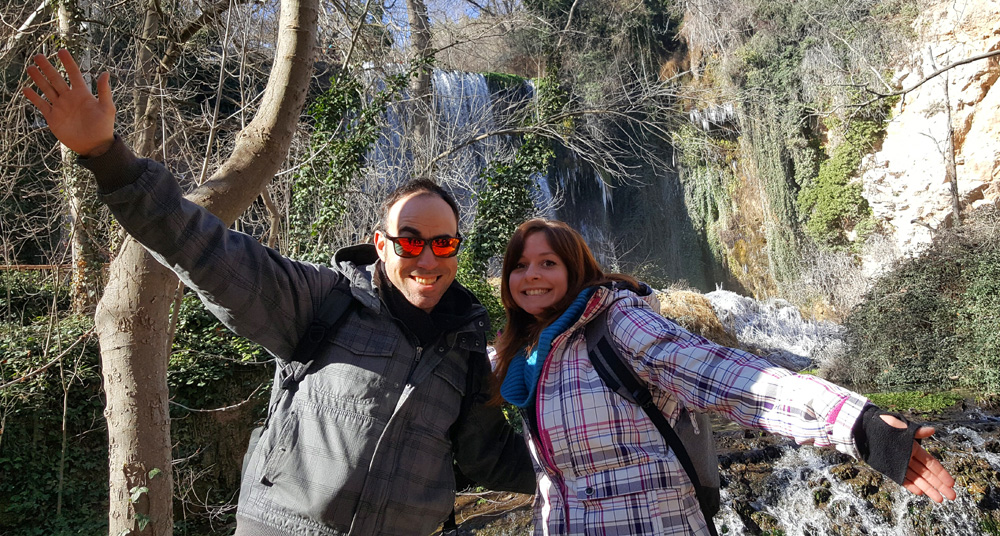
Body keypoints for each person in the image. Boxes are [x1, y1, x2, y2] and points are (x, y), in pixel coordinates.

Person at [24, 49, 535, 535]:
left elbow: (485, 456)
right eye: (410, 242)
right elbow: (205, 251)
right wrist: (106, 155)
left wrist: (589, 456)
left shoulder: (467, 347)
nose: (428, 258)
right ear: (380, 244)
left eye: (443, 243)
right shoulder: (323, 301)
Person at [492, 218, 957, 536]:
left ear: (576, 272)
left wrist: (856, 422)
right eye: (520, 265)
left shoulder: (617, 323)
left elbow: (729, 376)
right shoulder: (527, 357)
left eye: (548, 262)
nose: (531, 275)